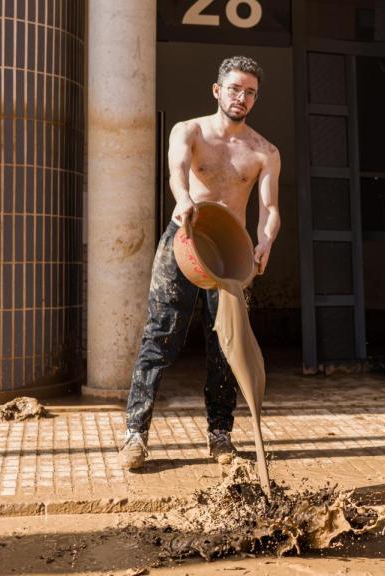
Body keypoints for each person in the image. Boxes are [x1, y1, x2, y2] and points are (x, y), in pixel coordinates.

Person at [120, 56, 281, 471]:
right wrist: (184, 198)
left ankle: (220, 435)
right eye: (234, 89)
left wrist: (264, 241)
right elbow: (176, 169)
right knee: (160, 335)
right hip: (185, 239)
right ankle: (135, 434)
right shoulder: (189, 130)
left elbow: (269, 208)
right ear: (217, 90)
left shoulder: (264, 151)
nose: (241, 98)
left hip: (230, 257)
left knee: (225, 346)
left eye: (249, 92)